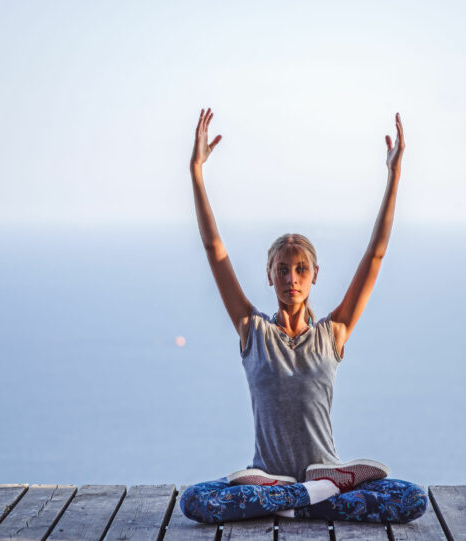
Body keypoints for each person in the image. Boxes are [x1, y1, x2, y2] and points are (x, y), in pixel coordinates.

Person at [180, 107, 426, 524]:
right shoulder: (252, 330)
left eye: (300, 270)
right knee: (194, 500)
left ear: (314, 276)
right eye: (282, 269)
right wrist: (196, 172)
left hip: (317, 475)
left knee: (411, 498)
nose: (291, 278)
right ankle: (309, 497)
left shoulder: (333, 333)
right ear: (270, 276)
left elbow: (376, 254)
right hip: (265, 477)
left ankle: (296, 497)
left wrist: (394, 176)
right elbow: (214, 250)